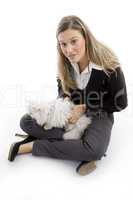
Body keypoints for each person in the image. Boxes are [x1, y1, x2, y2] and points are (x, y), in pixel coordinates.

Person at [8, 15, 128, 176]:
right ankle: (78, 146)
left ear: (85, 37)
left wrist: (85, 107)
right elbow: (63, 89)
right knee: (26, 121)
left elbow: (120, 103)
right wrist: (63, 102)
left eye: (74, 41)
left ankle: (32, 145)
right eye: (63, 44)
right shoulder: (64, 62)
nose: (69, 50)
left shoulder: (108, 64)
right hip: (70, 109)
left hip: (99, 110)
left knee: (95, 149)